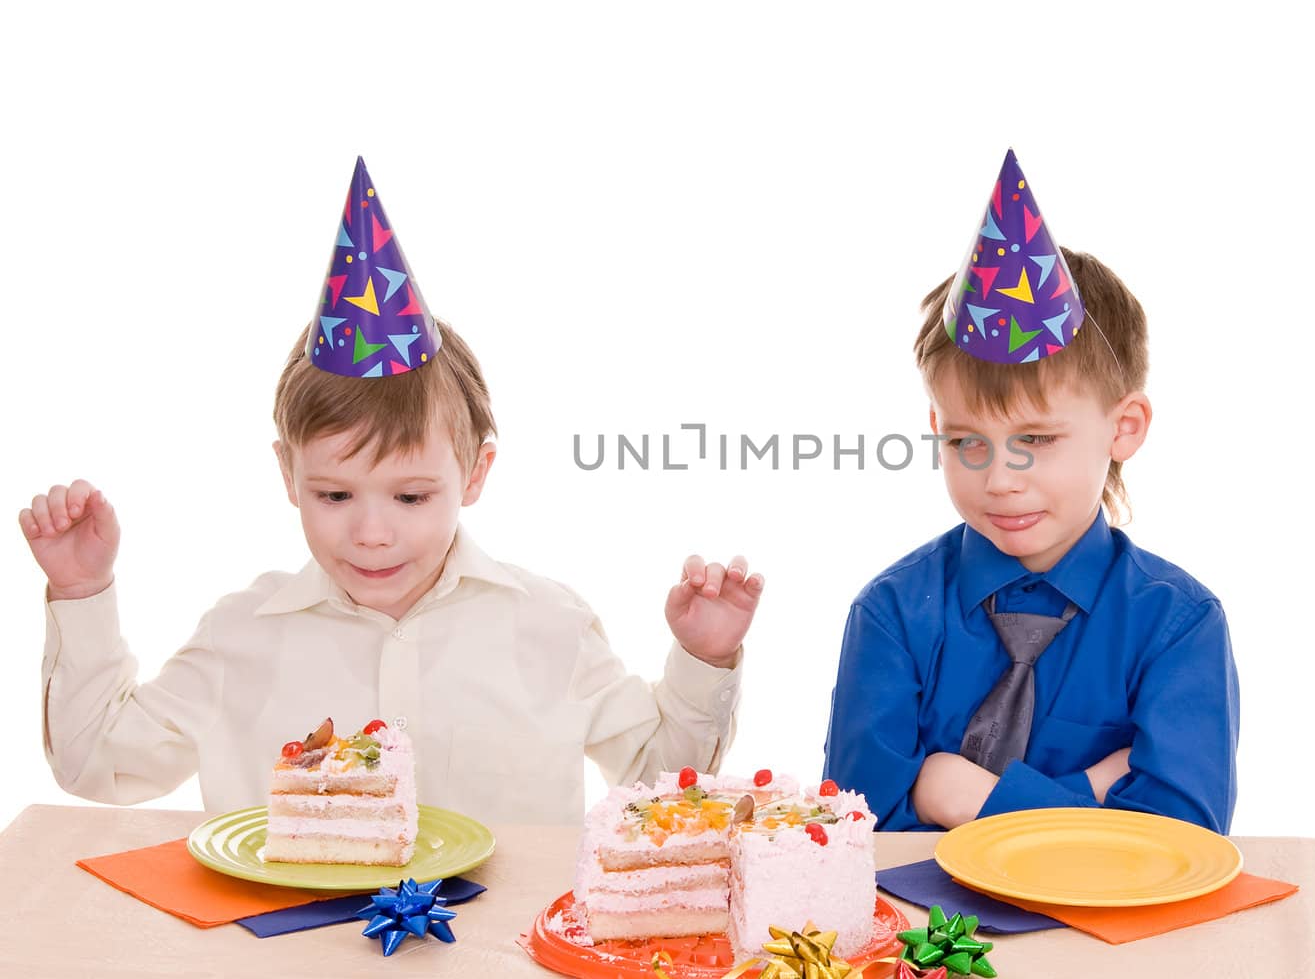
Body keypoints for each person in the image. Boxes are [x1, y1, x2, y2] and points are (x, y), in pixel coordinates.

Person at [18, 158, 762, 824]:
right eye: (335, 496)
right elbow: (99, 765)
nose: (372, 532)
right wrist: (82, 590)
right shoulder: (239, 636)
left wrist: (704, 658)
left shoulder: (549, 629)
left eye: (410, 497)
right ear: (288, 476)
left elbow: (662, 779)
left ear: (474, 475)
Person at [823, 150, 1238, 833]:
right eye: (966, 442)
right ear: (936, 428)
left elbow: (1174, 841)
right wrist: (1093, 790)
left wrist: (956, 793)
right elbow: (851, 831)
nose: (999, 479)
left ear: (1124, 427)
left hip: (1107, 944)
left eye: (1037, 440)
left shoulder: (1178, 626)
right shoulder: (892, 614)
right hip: (914, 938)